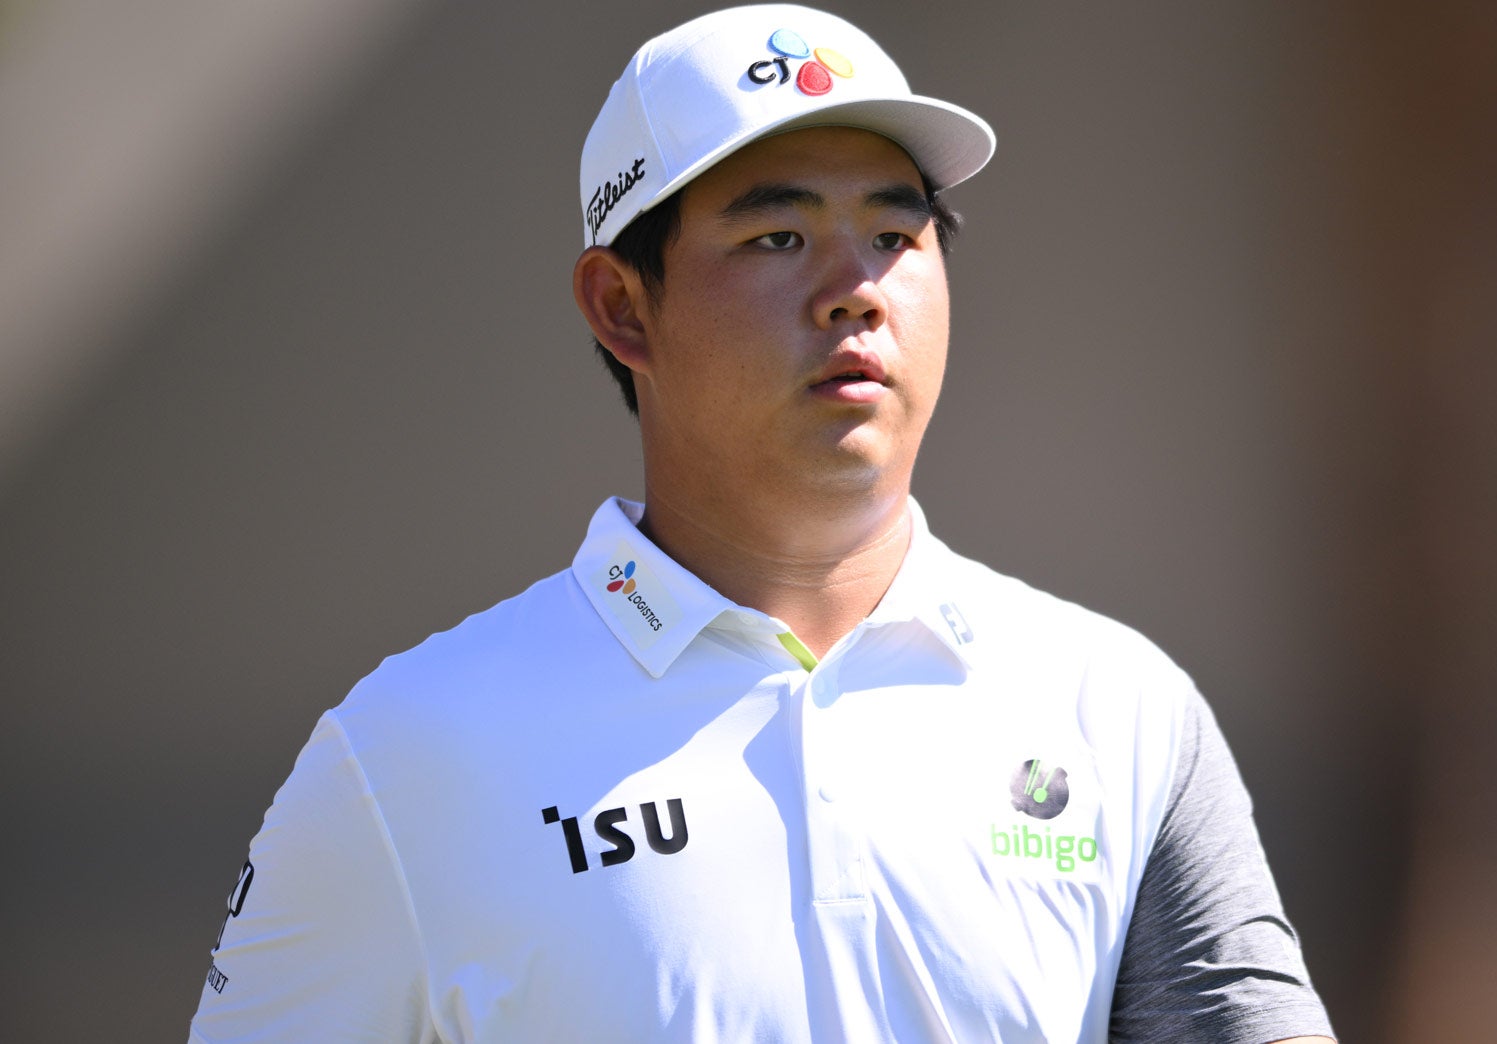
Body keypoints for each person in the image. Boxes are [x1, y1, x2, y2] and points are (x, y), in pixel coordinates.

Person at [188, 5, 1334, 1042]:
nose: (855, 288)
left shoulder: (1115, 709)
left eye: (895, 234)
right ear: (620, 306)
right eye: (776, 237)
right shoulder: (402, 757)